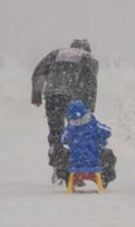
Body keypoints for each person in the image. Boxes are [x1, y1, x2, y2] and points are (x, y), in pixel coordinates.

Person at [31, 39, 99, 183]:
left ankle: (57, 166)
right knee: (77, 133)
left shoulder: (56, 53)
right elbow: (91, 83)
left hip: (52, 95)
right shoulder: (88, 58)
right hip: (74, 97)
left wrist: (36, 95)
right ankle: (75, 171)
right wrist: (89, 107)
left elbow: (38, 71)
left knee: (56, 132)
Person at [61, 100, 117, 185]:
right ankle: (105, 177)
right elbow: (108, 131)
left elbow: (63, 139)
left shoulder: (70, 129)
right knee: (108, 154)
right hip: (94, 161)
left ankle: (69, 179)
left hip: (75, 163)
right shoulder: (93, 124)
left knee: (62, 155)